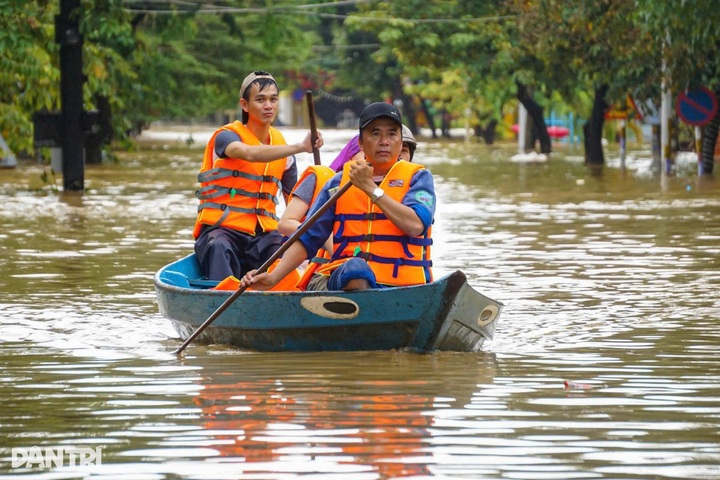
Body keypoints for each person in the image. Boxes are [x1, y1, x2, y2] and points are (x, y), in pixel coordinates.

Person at [242, 102, 436, 292]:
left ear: (401, 142)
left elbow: (416, 225)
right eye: (375, 134)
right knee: (356, 269)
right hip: (349, 279)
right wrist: (273, 278)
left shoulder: (418, 178)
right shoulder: (337, 184)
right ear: (360, 142)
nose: (384, 141)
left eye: (392, 134)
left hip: (405, 285)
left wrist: (369, 187)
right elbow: (307, 237)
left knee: (358, 269)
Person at [193, 70, 324, 282]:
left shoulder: (284, 152)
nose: (268, 106)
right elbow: (249, 153)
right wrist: (301, 147)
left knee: (285, 250)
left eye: (273, 99)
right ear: (245, 105)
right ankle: (221, 295)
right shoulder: (226, 137)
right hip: (222, 231)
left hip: (264, 234)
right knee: (218, 246)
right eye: (260, 100)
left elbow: (295, 205)